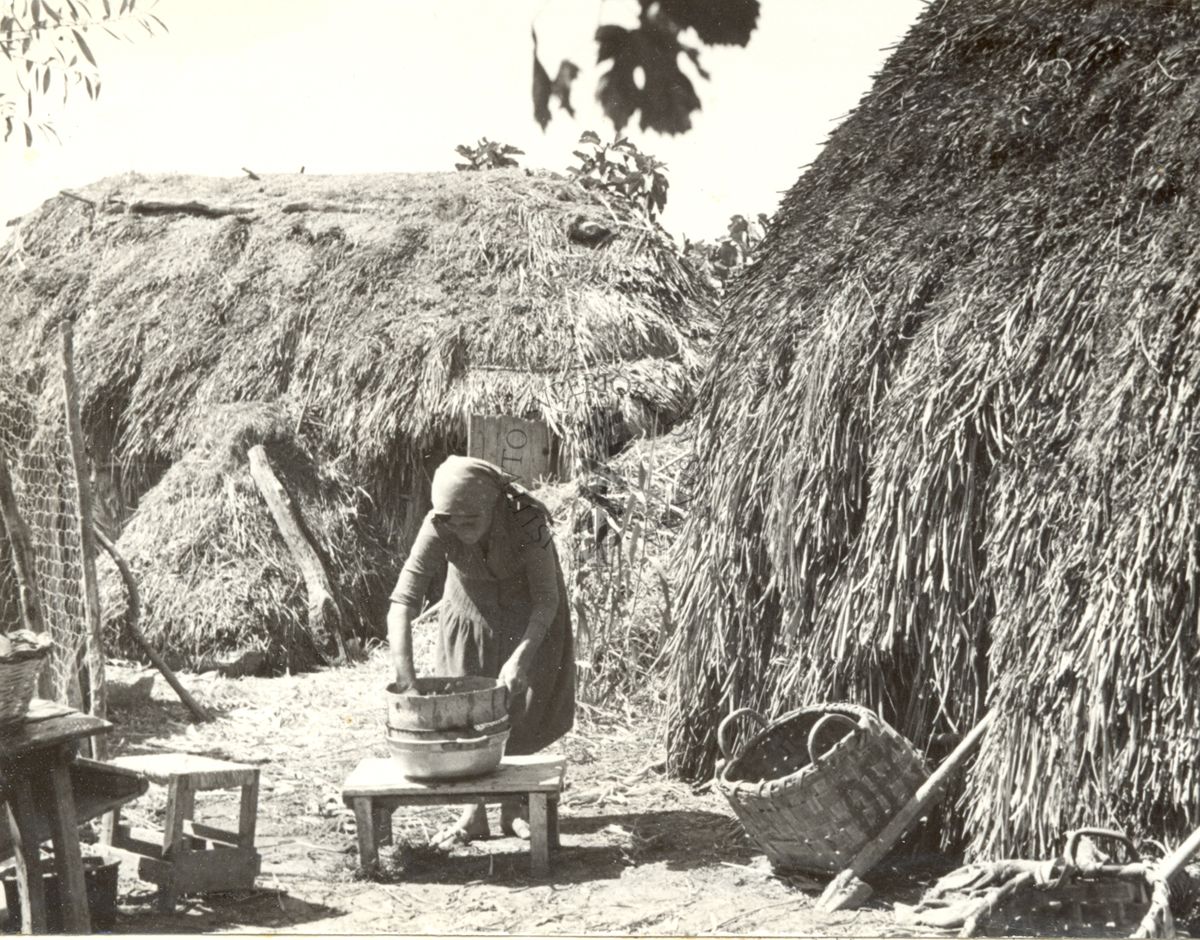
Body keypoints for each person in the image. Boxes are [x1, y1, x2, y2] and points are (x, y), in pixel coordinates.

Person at [388, 455, 575, 846]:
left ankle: (513, 809)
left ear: (492, 506)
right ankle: (473, 815)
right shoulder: (440, 522)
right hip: (468, 610)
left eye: (471, 521)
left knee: (518, 703)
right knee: (465, 711)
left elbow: (545, 598)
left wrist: (521, 656)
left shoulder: (526, 520)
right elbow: (403, 600)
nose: (460, 529)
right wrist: (405, 679)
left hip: (529, 613)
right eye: (451, 521)